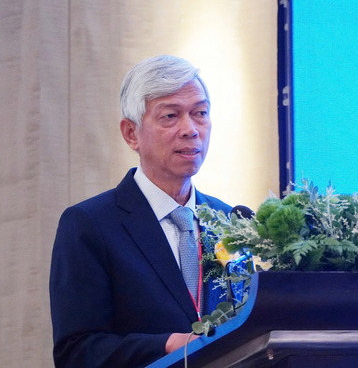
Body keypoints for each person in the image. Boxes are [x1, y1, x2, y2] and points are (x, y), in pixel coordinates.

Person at [49, 55, 232, 367]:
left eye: (200, 113)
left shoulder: (231, 221)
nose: (190, 129)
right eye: (170, 116)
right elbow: (77, 351)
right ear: (131, 134)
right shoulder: (90, 225)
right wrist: (165, 346)